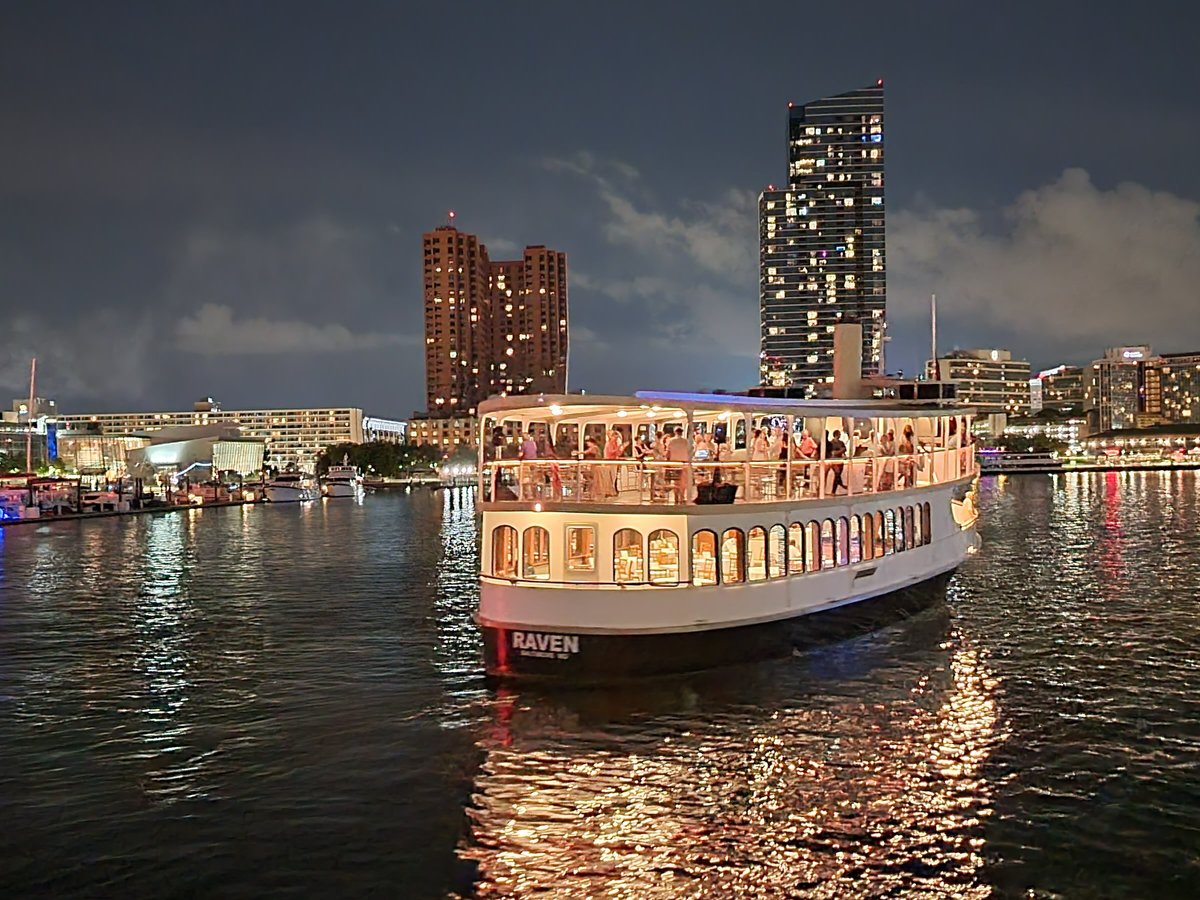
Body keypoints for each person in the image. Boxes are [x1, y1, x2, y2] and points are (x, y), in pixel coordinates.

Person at [666, 426, 690, 503]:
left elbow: (668, 453)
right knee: (683, 482)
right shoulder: (686, 441)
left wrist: (668, 462)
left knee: (676, 482)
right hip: (684, 464)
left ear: (675, 432)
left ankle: (676, 497)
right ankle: (682, 497)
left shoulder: (671, 441)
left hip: (674, 464)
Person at [826, 429, 847, 494]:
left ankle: (835, 490)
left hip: (840, 460)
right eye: (839, 434)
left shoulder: (841, 442)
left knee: (837, 475)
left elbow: (844, 450)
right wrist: (840, 451)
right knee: (837, 474)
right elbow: (833, 453)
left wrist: (841, 453)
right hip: (834, 461)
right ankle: (839, 485)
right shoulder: (831, 443)